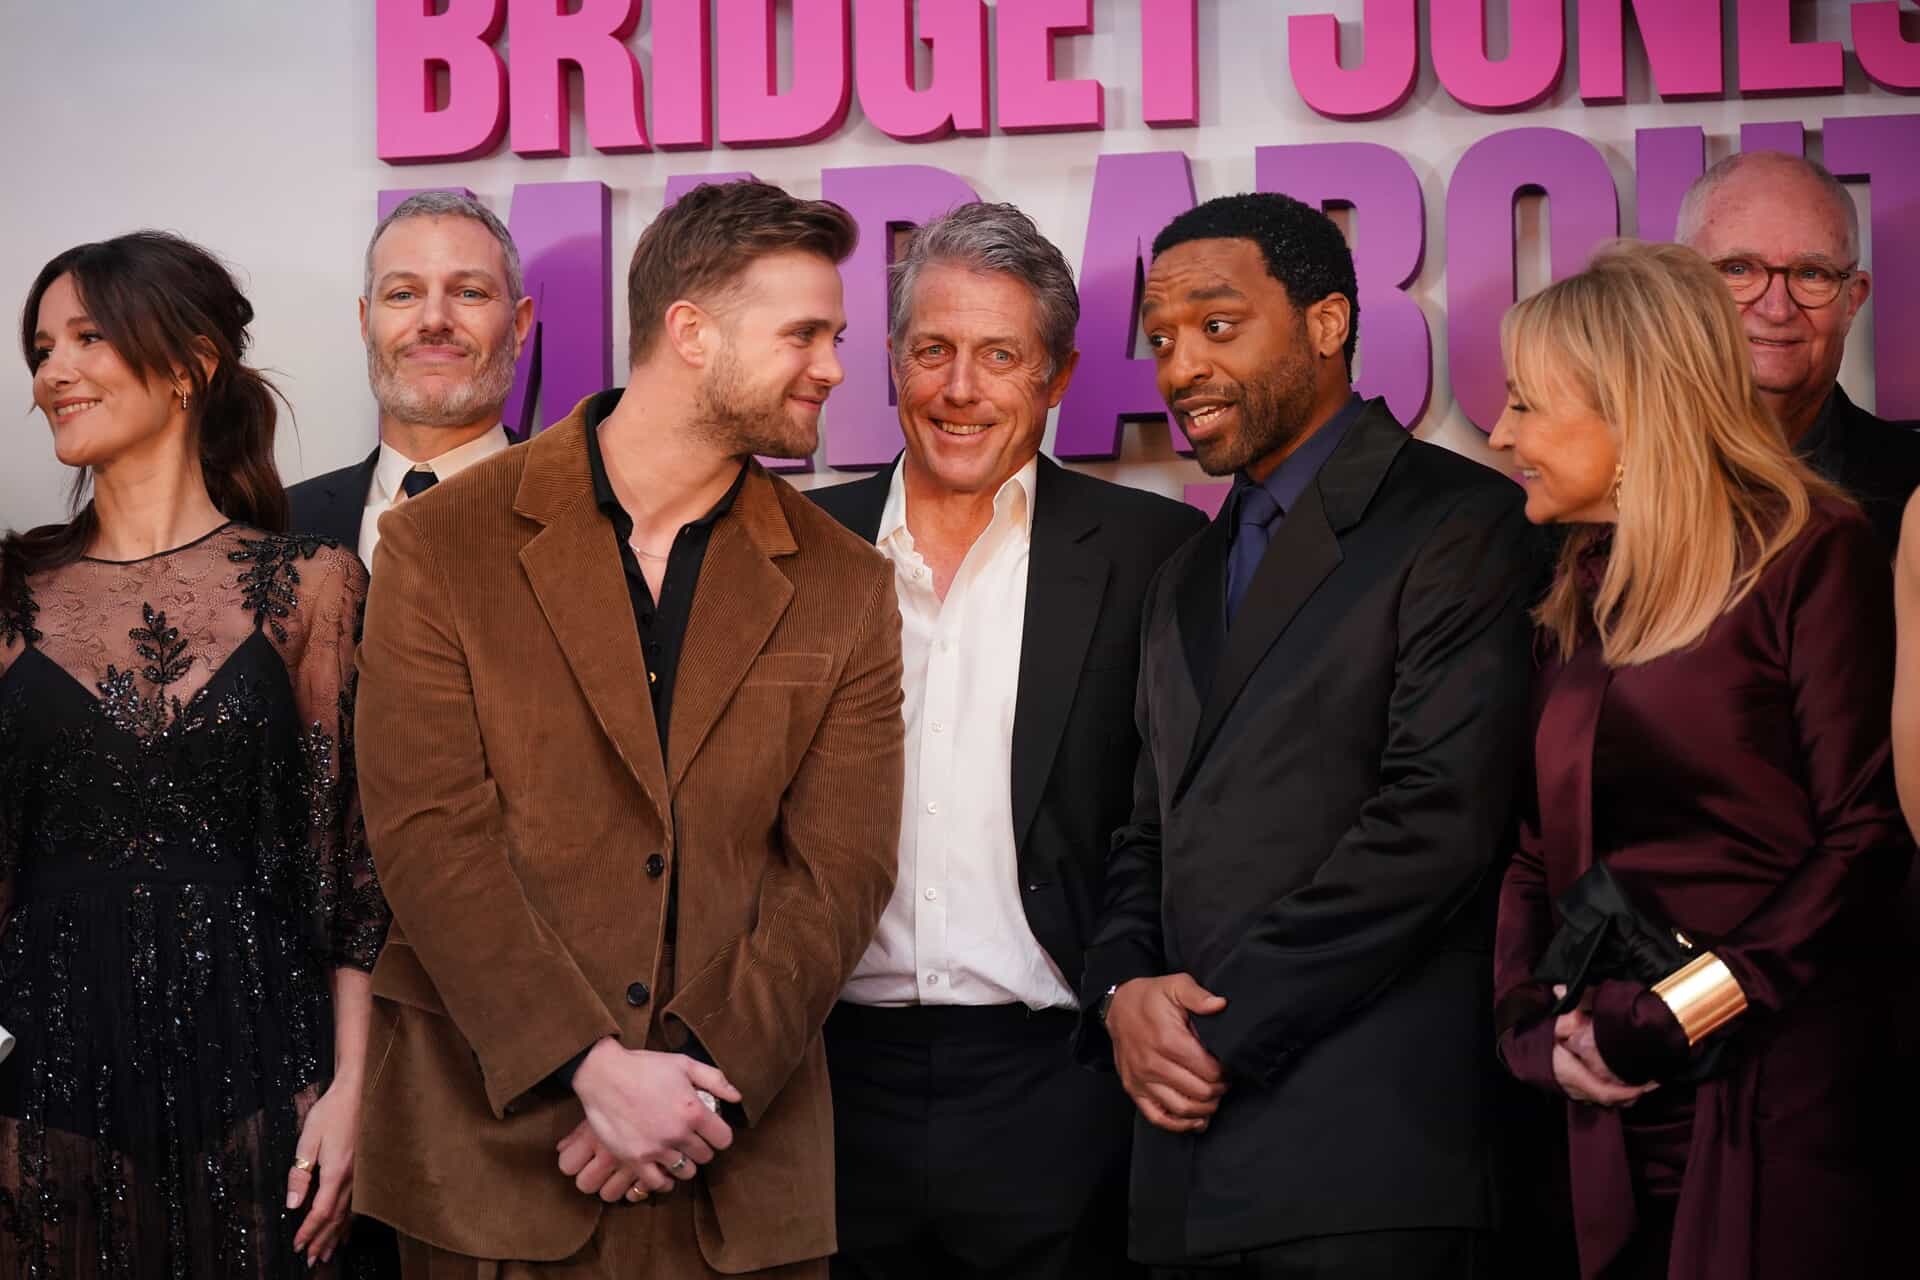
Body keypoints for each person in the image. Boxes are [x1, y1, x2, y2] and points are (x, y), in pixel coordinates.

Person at [351, 179, 905, 1279]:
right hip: (487, 1157)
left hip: (733, 1162)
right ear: (691, 333)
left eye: (837, 336)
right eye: (805, 333)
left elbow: (839, 869)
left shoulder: (848, 581)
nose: (837, 366)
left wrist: (688, 1078)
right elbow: (427, 835)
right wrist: (590, 1064)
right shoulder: (441, 543)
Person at [1077, 192, 1540, 1278]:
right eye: (1162, 339)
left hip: (1371, 1156)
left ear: (1328, 323)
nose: (1181, 365)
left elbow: (1437, 822)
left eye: (1218, 326)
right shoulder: (1185, 569)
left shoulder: (1460, 521)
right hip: (1181, 1168)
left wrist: (1217, 1030)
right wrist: (1121, 994)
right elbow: (1148, 823)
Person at [1489, 240, 1910, 1280]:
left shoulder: (1813, 551)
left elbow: (1864, 839)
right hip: (1605, 1108)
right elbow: (1537, 852)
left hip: (1770, 1100)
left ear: (1630, 414)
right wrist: (1533, 1029)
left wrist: (1680, 1012)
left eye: (1527, 404)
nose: (1501, 434)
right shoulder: (1580, 585)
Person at [808, 203, 1204, 1279]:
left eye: (999, 355)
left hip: (1060, 1083)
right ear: (892, 362)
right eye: (933, 351)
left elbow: (1172, 817)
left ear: (1058, 376)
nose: (960, 389)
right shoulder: (796, 544)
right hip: (828, 1082)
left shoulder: (1154, 552)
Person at [0, 231, 390, 1277]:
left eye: (87, 336)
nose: (54, 372)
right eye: (41, 348)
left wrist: (353, 1093)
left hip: (263, 1080)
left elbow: (348, 872)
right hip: (44, 1092)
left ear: (189, 364)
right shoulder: (10, 595)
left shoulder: (312, 583)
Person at [1676, 150, 1920, 551]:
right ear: (1682, 286)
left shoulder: (1914, 487)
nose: (1777, 309)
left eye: (1812, 274)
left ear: (1852, 301)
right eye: (1738, 269)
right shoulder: (1601, 486)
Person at [290, 191, 534, 559]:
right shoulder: (279, 521)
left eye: (469, 293)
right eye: (403, 295)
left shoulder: (589, 518)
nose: (434, 320)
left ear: (518, 325)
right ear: (364, 321)